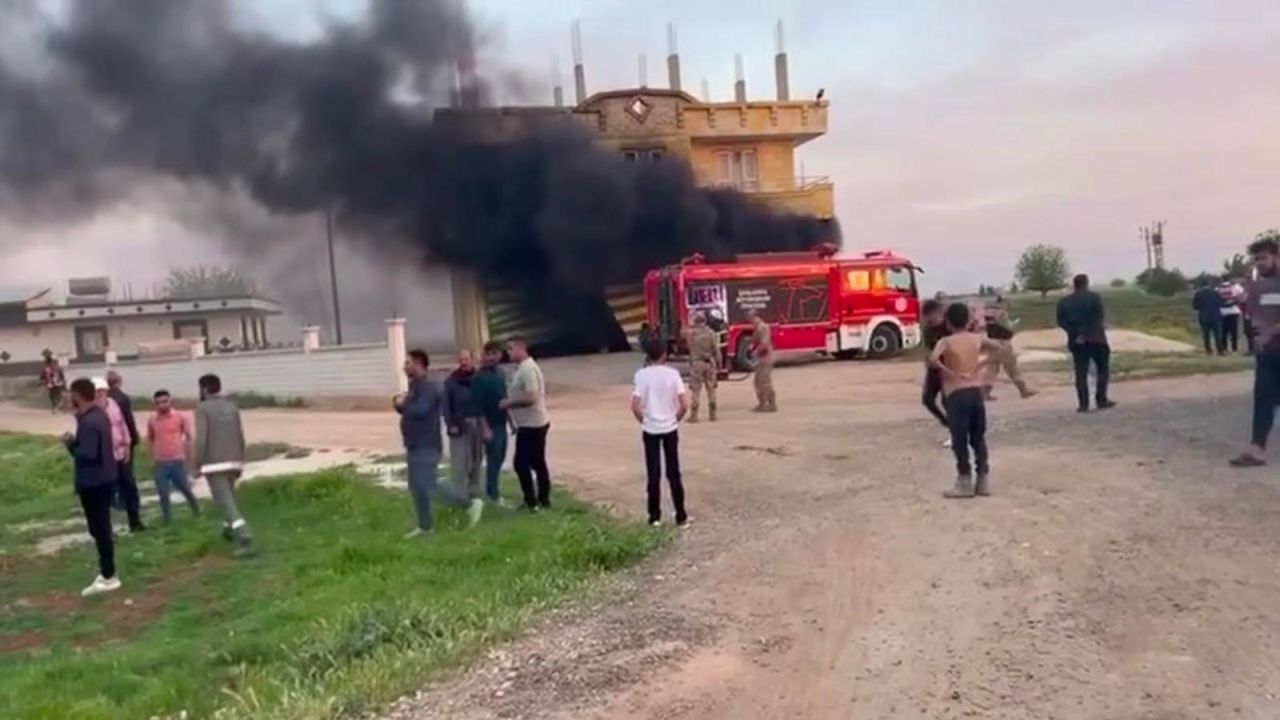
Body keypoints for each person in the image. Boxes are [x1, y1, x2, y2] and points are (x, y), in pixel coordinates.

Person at [929, 303, 1001, 499]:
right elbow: (999, 348)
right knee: (978, 437)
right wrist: (980, 365)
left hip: (955, 393)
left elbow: (933, 359)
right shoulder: (977, 338)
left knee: (960, 440)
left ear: (948, 322)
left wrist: (950, 371)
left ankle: (964, 480)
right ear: (968, 321)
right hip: (975, 392)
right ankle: (983, 480)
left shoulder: (946, 341)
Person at [63, 377, 121, 596]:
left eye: (71, 394)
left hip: (93, 481)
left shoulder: (89, 422)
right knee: (100, 527)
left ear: (77, 395)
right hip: (104, 477)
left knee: (99, 529)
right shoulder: (98, 415)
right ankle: (107, 571)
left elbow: (87, 454)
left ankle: (109, 575)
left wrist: (70, 444)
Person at [1229, 237, 1280, 467]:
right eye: (1256, 259)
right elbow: (1253, 315)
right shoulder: (1258, 286)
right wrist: (1241, 302)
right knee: (1263, 400)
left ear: (1276, 257)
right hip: (1266, 354)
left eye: (1263, 258)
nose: (1259, 263)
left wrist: (1270, 333)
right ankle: (1256, 449)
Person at [631, 340, 690, 527]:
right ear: (664, 354)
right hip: (670, 427)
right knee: (674, 473)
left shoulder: (641, 375)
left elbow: (634, 406)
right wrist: (675, 419)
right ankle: (680, 516)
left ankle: (654, 516)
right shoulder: (672, 374)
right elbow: (684, 405)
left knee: (653, 473)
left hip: (650, 429)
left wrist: (645, 420)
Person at [195, 373, 253, 557]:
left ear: (204, 389)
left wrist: (197, 462)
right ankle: (228, 531)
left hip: (214, 464)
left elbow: (201, 440)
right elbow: (240, 435)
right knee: (230, 498)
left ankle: (245, 536)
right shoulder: (231, 406)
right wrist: (241, 457)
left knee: (226, 503)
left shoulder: (202, 409)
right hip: (234, 460)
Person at [502, 337, 552, 511]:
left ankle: (533, 500)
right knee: (536, 462)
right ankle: (541, 499)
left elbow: (532, 396)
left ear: (520, 348)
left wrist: (508, 403)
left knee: (522, 463)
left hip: (533, 424)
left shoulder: (528, 369)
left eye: (510, 349)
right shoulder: (522, 368)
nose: (507, 352)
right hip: (529, 423)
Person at [1056, 274, 1116, 413]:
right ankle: (1101, 399)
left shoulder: (1064, 302)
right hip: (1096, 339)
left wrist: (1076, 334)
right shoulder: (1094, 298)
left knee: (1081, 372)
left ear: (1074, 284)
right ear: (1086, 283)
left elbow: (1061, 321)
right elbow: (1097, 317)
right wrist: (1085, 333)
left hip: (1077, 342)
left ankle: (1083, 404)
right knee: (1102, 369)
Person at [94, 377, 144, 532]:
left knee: (129, 486)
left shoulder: (114, 404)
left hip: (121, 453)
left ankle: (135, 521)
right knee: (107, 491)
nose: (100, 395)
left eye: (102, 391)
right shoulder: (91, 410)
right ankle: (108, 528)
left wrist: (128, 444)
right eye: (97, 392)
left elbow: (122, 424)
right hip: (104, 457)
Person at [443, 349, 486, 526]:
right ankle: (459, 497)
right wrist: (450, 424)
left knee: (476, 460)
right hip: (459, 427)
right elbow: (446, 406)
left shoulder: (479, 379)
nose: (464, 362)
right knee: (459, 462)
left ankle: (474, 495)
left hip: (478, 424)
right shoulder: (451, 382)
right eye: (461, 360)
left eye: (466, 359)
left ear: (472, 360)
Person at [146, 389, 200, 525]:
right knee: (163, 494)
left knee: (186, 489)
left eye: (165, 401)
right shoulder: (152, 419)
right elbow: (150, 439)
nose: (162, 405)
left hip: (177, 460)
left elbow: (188, 437)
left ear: (170, 401)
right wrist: (151, 458)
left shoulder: (180, 417)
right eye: (158, 403)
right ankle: (168, 521)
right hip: (160, 462)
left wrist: (188, 456)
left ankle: (197, 512)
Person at [472, 340, 511, 505]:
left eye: (495, 353)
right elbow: (476, 406)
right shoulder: (479, 377)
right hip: (490, 424)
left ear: (500, 355)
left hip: (502, 423)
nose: (491, 357)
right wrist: (484, 428)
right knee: (493, 459)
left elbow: (505, 399)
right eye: (488, 354)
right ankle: (492, 494)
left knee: (500, 457)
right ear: (483, 356)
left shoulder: (500, 374)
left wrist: (512, 421)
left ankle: (494, 491)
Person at [983, 297, 1036, 401]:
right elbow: (1008, 327)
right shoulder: (1002, 313)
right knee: (1012, 368)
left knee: (991, 369)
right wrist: (1015, 325)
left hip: (991, 342)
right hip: (1003, 343)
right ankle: (1023, 391)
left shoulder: (988, 314)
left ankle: (985, 393)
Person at [920, 299, 951, 445]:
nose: (929, 322)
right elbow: (929, 348)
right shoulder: (927, 329)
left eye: (932, 319)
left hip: (949, 368)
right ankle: (950, 425)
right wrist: (929, 358)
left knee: (948, 401)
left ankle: (956, 431)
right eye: (927, 320)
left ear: (940, 314)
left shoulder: (950, 327)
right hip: (934, 368)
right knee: (927, 400)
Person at [686, 313, 720, 422]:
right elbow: (717, 351)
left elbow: (690, 349)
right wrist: (719, 364)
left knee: (696, 390)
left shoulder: (692, 334)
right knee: (711, 389)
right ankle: (713, 414)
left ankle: (694, 415)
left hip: (697, 364)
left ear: (696, 322)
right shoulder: (712, 333)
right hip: (709, 363)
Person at [748, 310, 777, 412]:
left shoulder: (762, 327)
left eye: (751, 318)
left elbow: (764, 342)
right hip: (761, 358)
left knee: (765, 381)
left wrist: (755, 352)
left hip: (765, 357)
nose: (750, 321)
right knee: (758, 382)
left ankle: (771, 404)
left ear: (755, 317)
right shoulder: (757, 328)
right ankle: (763, 403)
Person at [1192, 280, 1225, 355]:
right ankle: (1220, 350)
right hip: (1215, 316)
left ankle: (1208, 350)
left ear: (1201, 286)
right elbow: (1220, 303)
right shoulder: (1215, 293)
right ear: (1209, 285)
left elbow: (1195, 306)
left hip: (1204, 317)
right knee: (1217, 335)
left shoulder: (1198, 294)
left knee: (1206, 335)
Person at [1219, 279, 1245, 354]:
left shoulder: (1218, 290)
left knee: (1224, 332)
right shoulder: (1236, 288)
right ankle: (1234, 349)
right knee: (1234, 332)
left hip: (1223, 312)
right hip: (1234, 311)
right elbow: (1241, 297)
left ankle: (1224, 348)